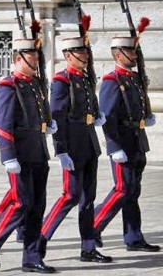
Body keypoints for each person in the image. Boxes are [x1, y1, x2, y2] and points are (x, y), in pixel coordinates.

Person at [0, 38, 57, 273]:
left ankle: (32, 257)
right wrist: (8, 155)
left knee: (37, 206)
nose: (35, 61)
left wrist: (48, 124)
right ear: (17, 59)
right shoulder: (8, 85)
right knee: (21, 202)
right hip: (20, 153)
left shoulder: (35, 84)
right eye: (30, 57)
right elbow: (3, 123)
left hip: (38, 151)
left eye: (36, 56)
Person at [38, 37, 112, 263]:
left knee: (88, 199)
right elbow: (57, 116)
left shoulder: (85, 78)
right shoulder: (62, 81)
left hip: (89, 145)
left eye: (86, 51)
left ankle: (88, 248)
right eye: (80, 52)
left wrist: (97, 116)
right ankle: (39, 238)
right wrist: (61, 151)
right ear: (68, 55)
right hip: (72, 148)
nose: (86, 55)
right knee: (70, 196)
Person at [93, 36, 160, 252]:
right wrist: (113, 147)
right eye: (130, 52)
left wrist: (146, 117)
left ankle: (133, 237)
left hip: (137, 141)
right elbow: (107, 117)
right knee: (122, 190)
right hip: (122, 143)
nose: (134, 56)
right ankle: (92, 226)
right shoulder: (112, 81)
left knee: (132, 192)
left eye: (135, 52)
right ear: (118, 54)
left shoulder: (133, 79)